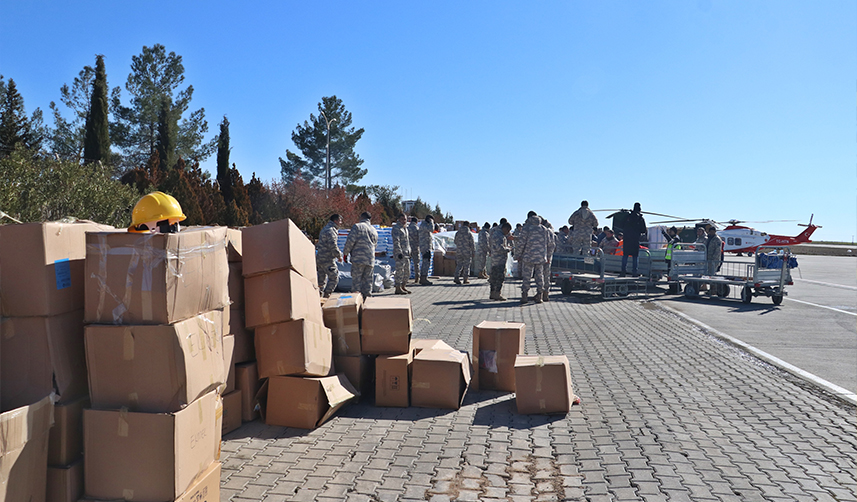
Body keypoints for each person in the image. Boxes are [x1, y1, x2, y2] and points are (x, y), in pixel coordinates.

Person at [343, 212, 378, 298]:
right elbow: (375, 245)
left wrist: (345, 253)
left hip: (358, 259)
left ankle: (355, 304)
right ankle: (367, 302)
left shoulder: (357, 226)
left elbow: (350, 241)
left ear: (361, 217)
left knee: (356, 284)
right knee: (368, 283)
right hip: (370, 260)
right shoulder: (374, 230)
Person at [515, 213, 548, 304]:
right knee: (539, 276)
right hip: (540, 257)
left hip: (529, 256)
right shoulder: (544, 229)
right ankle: (539, 295)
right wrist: (547, 256)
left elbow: (521, 243)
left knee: (527, 276)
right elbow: (547, 244)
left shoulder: (526, 228)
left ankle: (525, 295)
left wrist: (517, 255)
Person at [316, 213, 343, 298]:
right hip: (327, 259)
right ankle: (326, 296)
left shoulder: (325, 229)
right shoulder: (331, 230)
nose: (341, 222)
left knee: (321, 280)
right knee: (334, 277)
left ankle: (318, 297)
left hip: (320, 258)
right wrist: (339, 255)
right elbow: (333, 245)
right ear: (335, 221)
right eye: (340, 220)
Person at [620, 202, 646, 276]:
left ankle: (623, 271)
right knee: (635, 257)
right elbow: (643, 230)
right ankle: (634, 272)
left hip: (627, 239)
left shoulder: (627, 217)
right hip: (635, 240)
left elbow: (621, 225)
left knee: (625, 256)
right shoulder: (640, 219)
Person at [489, 221, 512, 300]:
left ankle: (492, 293)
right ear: (505, 228)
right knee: (499, 278)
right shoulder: (500, 236)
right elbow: (500, 248)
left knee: (493, 278)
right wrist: (508, 249)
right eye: (507, 231)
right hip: (499, 260)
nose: (507, 233)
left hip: (495, 260)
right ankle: (497, 294)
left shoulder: (495, 233)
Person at [391, 213, 412, 295]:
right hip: (400, 254)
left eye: (405, 219)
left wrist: (409, 251)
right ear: (399, 219)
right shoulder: (396, 228)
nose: (404, 221)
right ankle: (398, 287)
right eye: (402, 219)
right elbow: (396, 241)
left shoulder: (405, 228)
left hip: (406, 253)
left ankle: (403, 286)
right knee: (400, 271)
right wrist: (399, 252)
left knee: (407, 271)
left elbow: (407, 241)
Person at [541, 220, 557, 302]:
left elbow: (552, 245)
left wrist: (548, 256)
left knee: (543, 275)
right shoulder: (549, 231)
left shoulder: (547, 231)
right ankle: (543, 294)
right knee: (544, 276)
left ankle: (544, 294)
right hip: (543, 257)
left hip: (544, 257)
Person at [418, 215, 435, 285]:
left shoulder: (425, 225)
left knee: (427, 262)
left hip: (427, 246)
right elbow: (432, 229)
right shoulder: (424, 225)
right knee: (425, 262)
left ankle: (424, 277)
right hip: (424, 247)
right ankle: (423, 278)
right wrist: (432, 222)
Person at [408, 216, 420, 284]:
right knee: (416, 264)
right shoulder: (417, 229)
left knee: (407, 264)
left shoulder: (407, 228)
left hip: (408, 248)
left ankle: (406, 278)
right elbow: (419, 238)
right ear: (416, 222)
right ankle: (417, 278)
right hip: (415, 247)